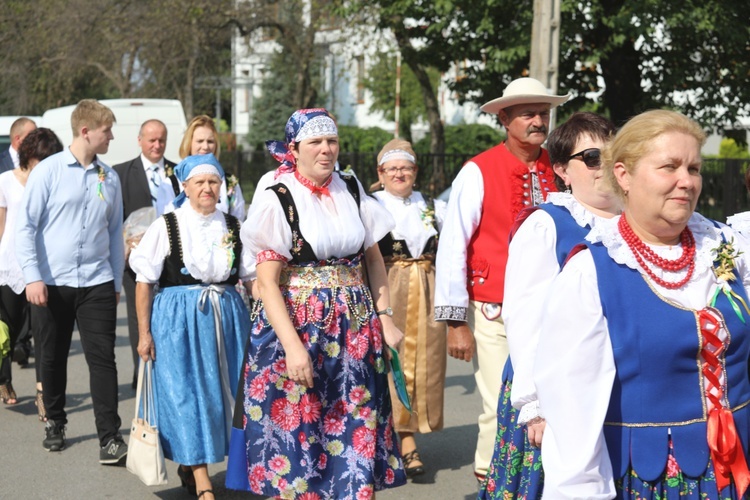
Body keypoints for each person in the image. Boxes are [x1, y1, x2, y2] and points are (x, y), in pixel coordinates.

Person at [535, 110, 750, 498]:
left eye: (694, 168)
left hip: (740, 466)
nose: (687, 181)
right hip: (651, 477)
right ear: (623, 175)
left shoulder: (727, 249)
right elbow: (572, 412)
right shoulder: (591, 272)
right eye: (669, 167)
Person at [225, 108, 407, 498]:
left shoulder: (352, 188)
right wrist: (292, 348)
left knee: (356, 427)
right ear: (294, 149)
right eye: (316, 142)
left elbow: (373, 260)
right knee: (301, 436)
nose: (326, 150)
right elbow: (268, 284)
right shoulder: (279, 197)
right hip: (298, 328)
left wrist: (385, 318)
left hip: (354, 329)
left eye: (332, 141)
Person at [434, 77, 569, 482]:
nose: (538, 120)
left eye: (543, 113)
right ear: (505, 119)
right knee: (501, 402)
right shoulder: (478, 170)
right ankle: (490, 479)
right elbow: (453, 243)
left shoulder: (560, 167)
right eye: (528, 113)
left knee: (554, 400)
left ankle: (539, 483)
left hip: (554, 307)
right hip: (495, 308)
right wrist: (456, 322)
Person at [478, 112, 618, 498]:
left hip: (611, 385)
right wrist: (535, 404)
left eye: (615, 154)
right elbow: (525, 317)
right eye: (591, 157)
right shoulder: (548, 223)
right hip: (552, 388)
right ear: (562, 170)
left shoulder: (634, 224)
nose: (604, 165)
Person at [131, 153, 251, 500]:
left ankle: (197, 463)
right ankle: (202, 480)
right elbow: (144, 281)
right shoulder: (167, 224)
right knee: (186, 396)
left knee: (223, 397)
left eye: (213, 182)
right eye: (200, 182)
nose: (208, 188)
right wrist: (144, 333)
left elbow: (251, 277)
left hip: (226, 318)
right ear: (185, 186)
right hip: (177, 321)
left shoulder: (233, 225)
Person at [15, 99, 127, 463]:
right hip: (51, 283)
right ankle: (55, 422)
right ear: (86, 131)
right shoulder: (47, 172)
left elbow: (114, 233)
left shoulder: (109, 178)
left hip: (96, 282)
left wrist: (114, 280)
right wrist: (32, 277)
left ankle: (109, 437)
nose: (111, 136)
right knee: (52, 356)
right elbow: (25, 228)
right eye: (106, 130)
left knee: (103, 358)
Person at [370, 138, 447, 478]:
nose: (399, 173)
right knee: (389, 362)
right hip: (389, 285)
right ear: (381, 173)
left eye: (406, 167)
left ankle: (408, 435)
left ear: (415, 172)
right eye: (393, 168)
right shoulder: (371, 206)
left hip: (427, 286)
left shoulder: (430, 205)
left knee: (424, 363)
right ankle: (395, 440)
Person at [0, 128, 62, 413]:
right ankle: (4, 379)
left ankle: (42, 392)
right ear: (27, 156)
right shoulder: (5, 181)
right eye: (40, 160)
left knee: (43, 332)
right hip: (10, 266)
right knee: (8, 332)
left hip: (44, 266)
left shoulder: (55, 182)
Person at [113, 119, 176, 388]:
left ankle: (165, 371)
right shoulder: (121, 172)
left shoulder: (177, 172)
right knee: (138, 315)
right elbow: (116, 218)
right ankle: (141, 373)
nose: (157, 145)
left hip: (171, 259)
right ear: (139, 140)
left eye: (161, 139)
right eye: (151, 140)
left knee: (165, 315)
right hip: (134, 262)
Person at [155, 115, 245, 220]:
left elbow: (239, 223)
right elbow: (165, 226)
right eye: (200, 141)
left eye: (210, 141)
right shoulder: (171, 185)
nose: (205, 147)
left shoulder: (230, 183)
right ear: (189, 143)